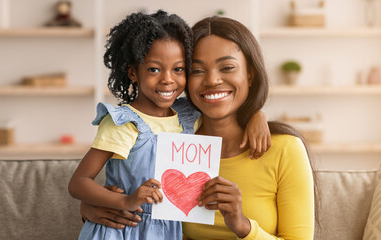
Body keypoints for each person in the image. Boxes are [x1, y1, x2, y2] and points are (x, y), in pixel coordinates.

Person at [68, 10, 271, 240]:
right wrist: (124, 201)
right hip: (123, 230)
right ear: (133, 72)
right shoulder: (124, 123)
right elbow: (78, 183)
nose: (167, 79)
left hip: (166, 231)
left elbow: (224, 107)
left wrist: (257, 115)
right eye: (154, 69)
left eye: (178, 69)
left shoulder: (186, 115)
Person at [181, 16, 315, 239]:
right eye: (197, 70)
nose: (212, 80)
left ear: (250, 74)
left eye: (227, 67)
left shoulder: (285, 149)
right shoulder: (177, 144)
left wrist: (243, 226)